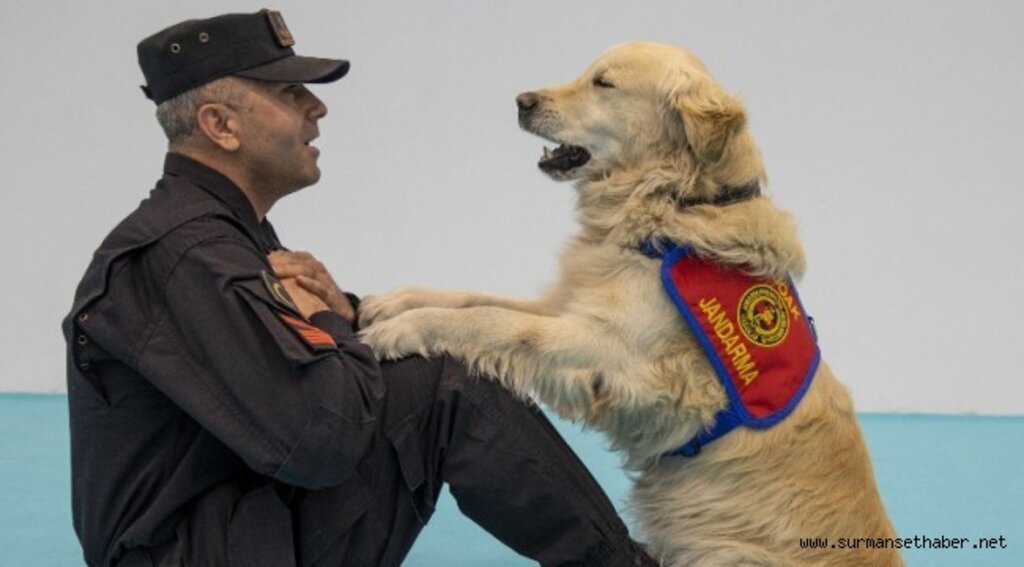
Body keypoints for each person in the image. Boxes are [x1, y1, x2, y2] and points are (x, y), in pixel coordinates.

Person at [63, 9, 656, 567]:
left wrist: (343, 316)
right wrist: (330, 327)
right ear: (220, 125)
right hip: (191, 551)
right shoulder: (186, 253)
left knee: (439, 367)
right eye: (287, 92)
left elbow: (282, 392)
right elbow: (322, 440)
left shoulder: (213, 230)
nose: (316, 107)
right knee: (448, 382)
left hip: (231, 527)